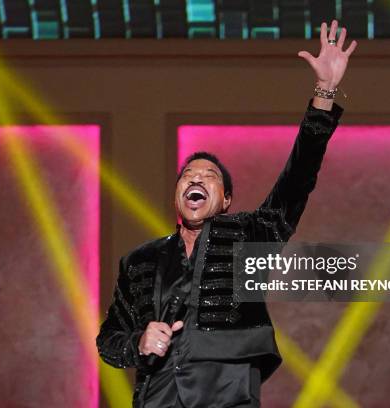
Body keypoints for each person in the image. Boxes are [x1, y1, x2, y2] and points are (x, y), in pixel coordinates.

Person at [97, 20, 357, 408]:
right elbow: (108, 340)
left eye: (209, 176)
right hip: (159, 396)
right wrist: (138, 342)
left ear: (225, 200)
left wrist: (325, 92)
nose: (195, 179)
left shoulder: (250, 236)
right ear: (177, 193)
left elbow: (298, 178)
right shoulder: (140, 261)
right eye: (187, 175)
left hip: (227, 394)